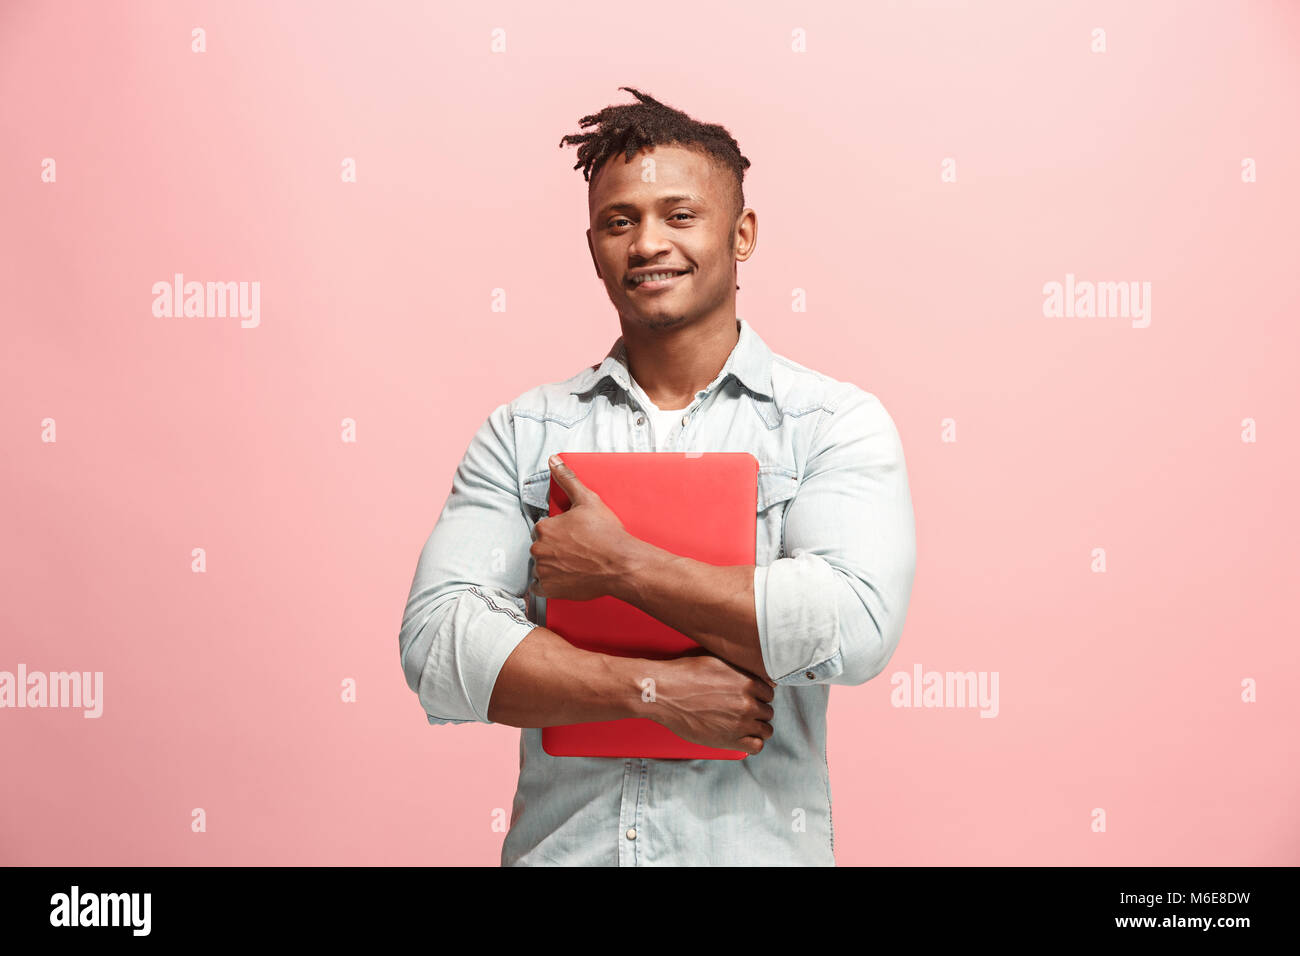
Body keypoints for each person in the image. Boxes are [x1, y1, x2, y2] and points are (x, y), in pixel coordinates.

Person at [399, 87, 916, 866]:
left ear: (741, 235)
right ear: (593, 247)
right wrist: (656, 693)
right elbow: (440, 645)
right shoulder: (524, 433)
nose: (647, 243)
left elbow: (852, 624)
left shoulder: (831, 423)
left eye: (680, 216)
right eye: (620, 221)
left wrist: (622, 566)